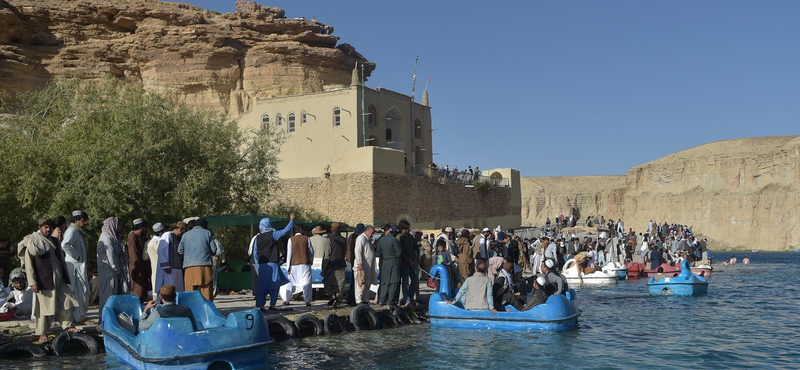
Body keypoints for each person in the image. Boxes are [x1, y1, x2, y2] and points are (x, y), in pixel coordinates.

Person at [20, 218, 79, 343]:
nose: (48, 230)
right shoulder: (32, 242)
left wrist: (64, 276)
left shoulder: (54, 241)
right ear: (40, 227)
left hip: (59, 278)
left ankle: (68, 326)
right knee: (44, 308)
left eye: (50, 227)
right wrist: (33, 283)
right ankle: (42, 333)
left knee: (67, 301)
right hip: (43, 279)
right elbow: (29, 265)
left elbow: (60, 259)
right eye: (45, 227)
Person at [248, 216, 294, 311]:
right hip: (273, 264)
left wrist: (258, 265)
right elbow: (286, 230)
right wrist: (291, 220)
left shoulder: (257, 238)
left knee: (262, 286)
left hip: (262, 265)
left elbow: (255, 252)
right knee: (274, 285)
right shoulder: (274, 234)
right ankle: (272, 305)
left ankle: (260, 306)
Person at [178, 218, 220, 301]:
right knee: (206, 290)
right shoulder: (207, 233)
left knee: (190, 290)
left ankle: (191, 309)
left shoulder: (185, 235)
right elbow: (214, 250)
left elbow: (179, 250)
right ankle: (207, 310)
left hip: (189, 267)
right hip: (205, 266)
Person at [61, 210, 90, 323]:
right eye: (83, 220)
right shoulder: (72, 231)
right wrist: (77, 257)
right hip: (74, 267)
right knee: (78, 293)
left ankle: (79, 316)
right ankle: (77, 317)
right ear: (76, 220)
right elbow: (65, 245)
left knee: (82, 292)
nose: (85, 223)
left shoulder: (78, 232)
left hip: (79, 266)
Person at [97, 217, 125, 323]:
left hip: (109, 271)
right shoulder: (106, 238)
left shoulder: (110, 237)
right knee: (107, 296)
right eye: (117, 225)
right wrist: (117, 271)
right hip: (109, 272)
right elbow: (111, 257)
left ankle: (106, 319)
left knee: (110, 295)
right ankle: (103, 319)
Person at [284, 224, 314, 306]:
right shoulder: (307, 239)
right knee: (307, 283)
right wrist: (311, 260)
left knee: (291, 282)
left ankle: (287, 300)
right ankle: (307, 301)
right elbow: (311, 251)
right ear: (301, 230)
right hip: (305, 264)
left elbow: (289, 254)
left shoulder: (291, 240)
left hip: (294, 264)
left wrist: (288, 267)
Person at [376, 225, 403, 308]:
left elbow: (378, 251)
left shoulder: (382, 239)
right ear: (395, 232)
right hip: (394, 262)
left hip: (385, 262)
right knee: (393, 282)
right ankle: (390, 301)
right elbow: (399, 253)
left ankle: (381, 300)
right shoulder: (394, 240)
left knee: (384, 282)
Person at [321, 223, 347, 308]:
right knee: (340, 285)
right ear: (340, 230)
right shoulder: (344, 240)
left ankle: (332, 295)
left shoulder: (330, 240)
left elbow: (327, 255)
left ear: (332, 230)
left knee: (326, 281)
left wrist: (323, 268)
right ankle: (338, 302)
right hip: (341, 264)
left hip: (331, 264)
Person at [128, 218, 151, 303]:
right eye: (145, 227)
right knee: (139, 293)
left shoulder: (143, 237)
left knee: (146, 293)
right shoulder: (133, 237)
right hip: (138, 271)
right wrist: (138, 270)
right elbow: (134, 255)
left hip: (145, 269)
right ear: (141, 227)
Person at [353, 225, 377, 305]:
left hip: (368, 266)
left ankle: (366, 299)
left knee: (367, 284)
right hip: (362, 266)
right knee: (360, 283)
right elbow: (358, 251)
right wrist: (359, 263)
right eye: (372, 233)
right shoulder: (361, 238)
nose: (372, 235)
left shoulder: (368, 240)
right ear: (366, 231)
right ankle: (359, 300)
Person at [397, 221, 419, 307]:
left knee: (414, 280)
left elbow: (415, 248)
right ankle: (407, 299)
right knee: (405, 282)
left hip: (413, 262)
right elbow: (401, 252)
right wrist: (408, 260)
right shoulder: (399, 238)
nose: (407, 230)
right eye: (405, 229)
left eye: (408, 228)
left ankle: (411, 297)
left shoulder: (410, 237)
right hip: (405, 262)